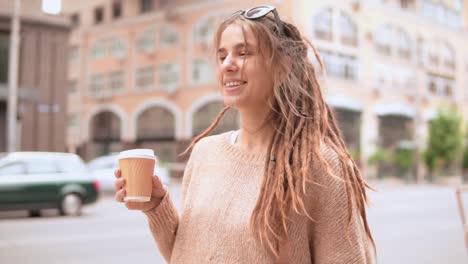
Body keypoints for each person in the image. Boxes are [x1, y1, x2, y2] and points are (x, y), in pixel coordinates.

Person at [114, 5, 376, 263]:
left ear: (282, 67)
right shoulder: (205, 152)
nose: (228, 64)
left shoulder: (321, 166)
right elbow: (186, 253)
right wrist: (156, 208)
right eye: (222, 56)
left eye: (244, 52)